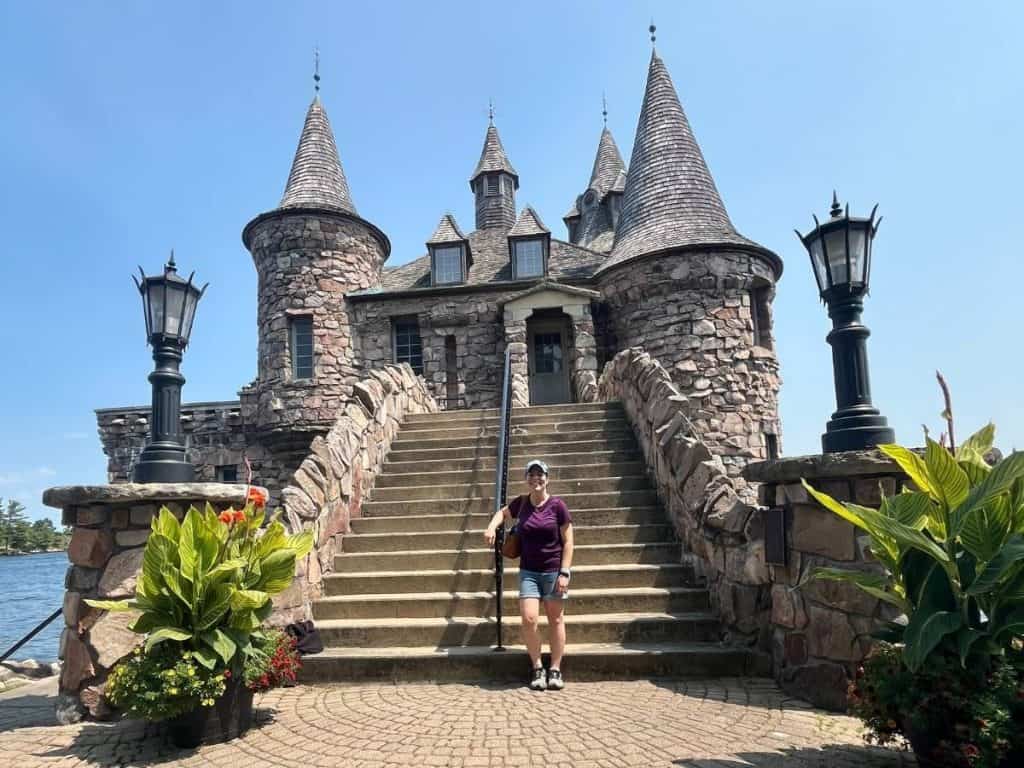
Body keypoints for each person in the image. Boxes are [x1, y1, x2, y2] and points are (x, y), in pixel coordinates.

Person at [484, 459, 574, 691]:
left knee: (556, 620)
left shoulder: (558, 506)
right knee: (529, 618)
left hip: (554, 572)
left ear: (547, 479)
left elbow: (569, 541)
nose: (536, 479)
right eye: (531, 475)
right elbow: (502, 514)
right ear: (526, 478)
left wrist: (565, 572)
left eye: (540, 475)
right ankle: (537, 667)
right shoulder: (522, 503)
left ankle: (555, 668)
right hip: (529, 572)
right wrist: (491, 527)